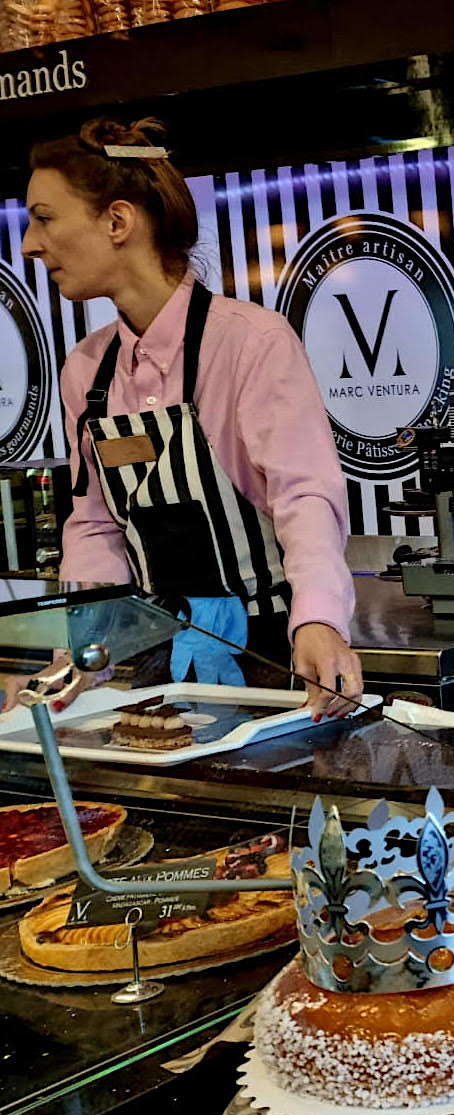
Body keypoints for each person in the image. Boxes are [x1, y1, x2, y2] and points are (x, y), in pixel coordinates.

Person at [10, 117, 360, 718]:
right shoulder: (86, 371)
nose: (28, 244)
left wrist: (320, 620)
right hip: (150, 663)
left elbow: (305, 496)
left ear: (118, 222)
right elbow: (94, 525)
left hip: (274, 659)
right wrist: (84, 645)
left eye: (44, 217)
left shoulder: (250, 342)